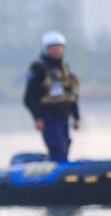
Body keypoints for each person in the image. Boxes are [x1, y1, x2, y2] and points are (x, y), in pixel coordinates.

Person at [23, 31, 79, 162]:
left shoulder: (65, 69)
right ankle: (57, 178)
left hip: (64, 115)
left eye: (60, 47)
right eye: (53, 47)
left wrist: (76, 116)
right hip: (48, 117)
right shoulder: (38, 69)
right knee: (57, 147)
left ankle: (61, 170)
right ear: (46, 49)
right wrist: (37, 118)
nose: (57, 50)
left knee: (65, 146)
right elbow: (29, 98)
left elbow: (71, 95)